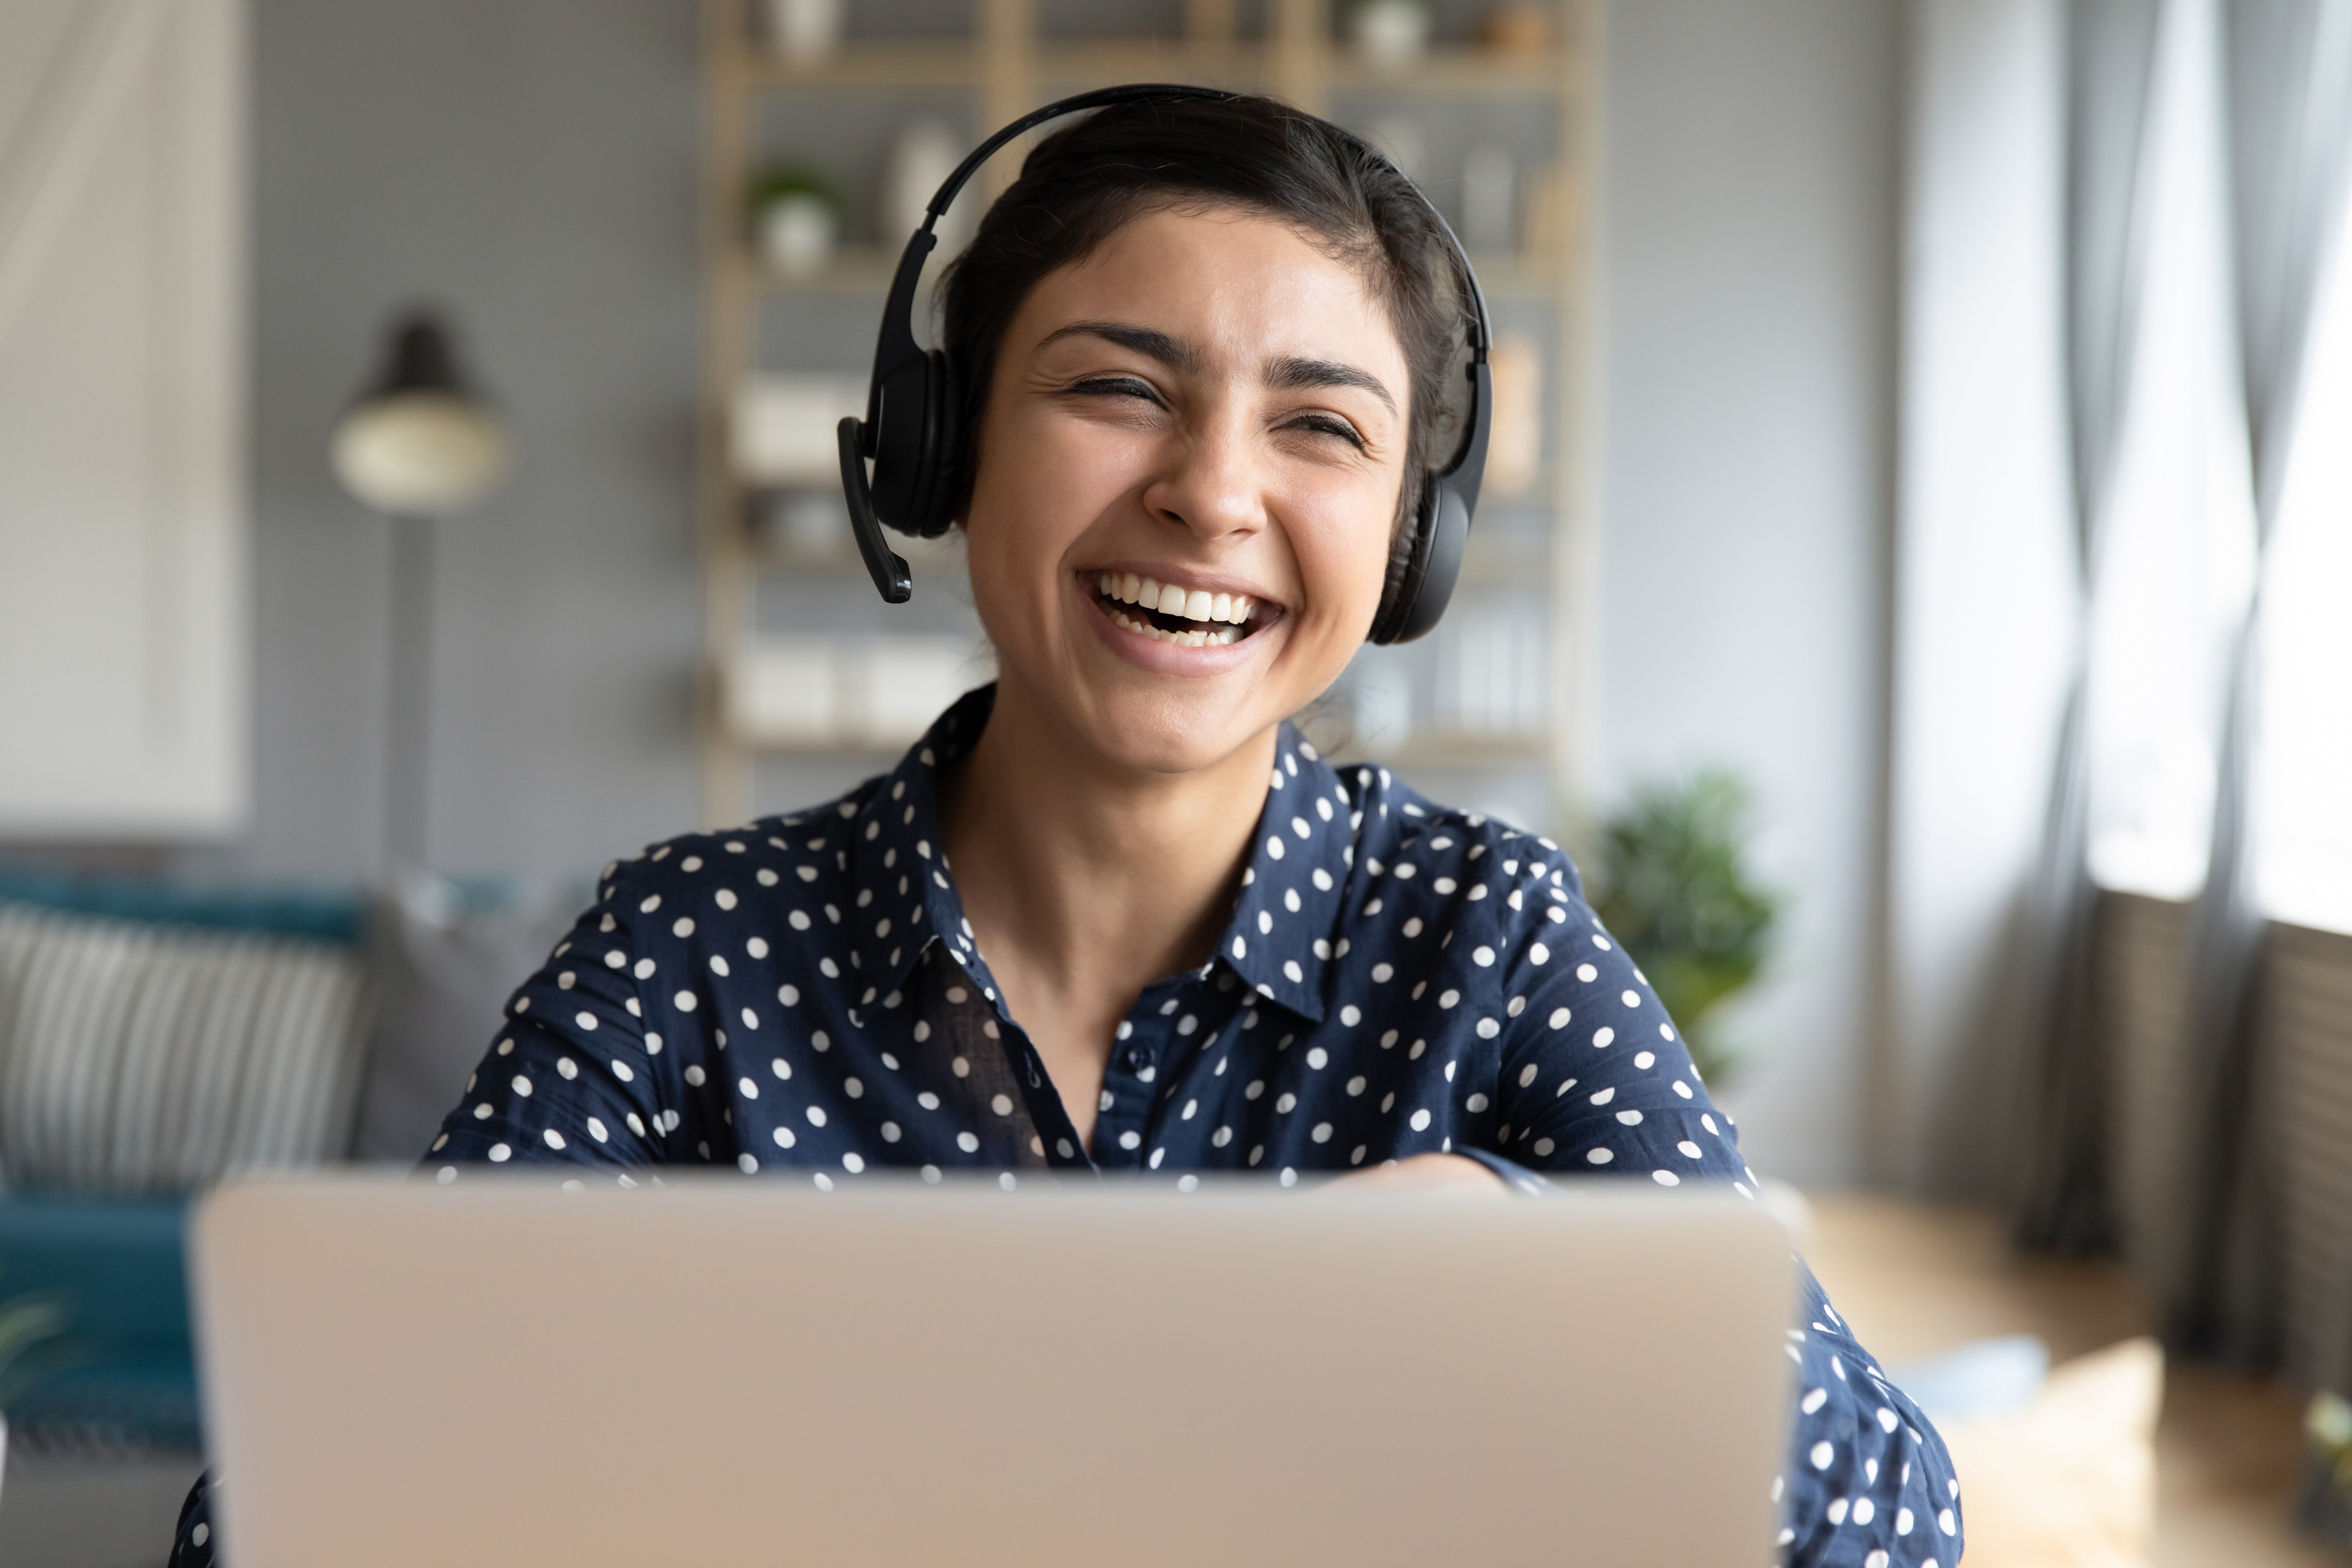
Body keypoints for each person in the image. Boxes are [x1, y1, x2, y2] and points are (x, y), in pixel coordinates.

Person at [171, 93, 1960, 1568]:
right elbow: (273, 1519)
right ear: (946, 448)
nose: (1211, 491)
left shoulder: (1485, 938)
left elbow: (1896, 1521)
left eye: (1321, 425)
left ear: (1411, 547)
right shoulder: (692, 948)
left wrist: (1525, 1250)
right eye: (1119, 388)